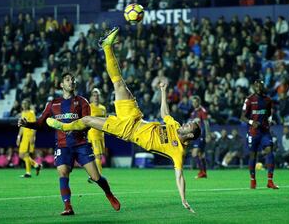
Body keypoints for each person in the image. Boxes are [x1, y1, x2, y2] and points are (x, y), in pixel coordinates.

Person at [46, 27, 201, 213]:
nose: (185, 123)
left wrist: (183, 198)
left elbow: (179, 176)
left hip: (127, 131)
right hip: (135, 116)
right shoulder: (174, 125)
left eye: (189, 125)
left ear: (190, 134)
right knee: (119, 83)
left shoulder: (178, 151)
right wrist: (163, 92)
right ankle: (106, 46)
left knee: (86, 120)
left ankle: (64, 126)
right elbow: (164, 114)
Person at [18, 72, 120, 215]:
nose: (71, 81)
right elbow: (41, 123)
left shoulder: (82, 102)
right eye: (67, 79)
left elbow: (88, 123)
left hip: (81, 144)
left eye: (72, 79)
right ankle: (68, 206)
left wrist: (70, 128)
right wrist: (27, 124)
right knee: (63, 172)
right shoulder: (53, 104)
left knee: (96, 177)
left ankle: (109, 194)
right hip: (62, 145)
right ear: (61, 85)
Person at [241, 80, 279, 189]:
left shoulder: (268, 100)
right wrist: (252, 122)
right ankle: (253, 180)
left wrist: (270, 120)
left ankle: (270, 181)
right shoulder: (249, 100)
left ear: (263, 86)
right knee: (253, 155)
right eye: (256, 85)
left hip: (264, 132)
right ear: (253, 87)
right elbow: (242, 117)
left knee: (269, 151)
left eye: (260, 85)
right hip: (253, 132)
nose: (258, 87)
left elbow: (269, 113)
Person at [16, 99, 42, 178]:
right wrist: (18, 137)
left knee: (26, 154)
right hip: (24, 137)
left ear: (28, 105)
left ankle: (28, 173)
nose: (23, 105)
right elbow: (21, 127)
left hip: (29, 136)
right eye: (22, 103)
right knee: (21, 155)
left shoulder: (31, 113)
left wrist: (33, 137)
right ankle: (36, 165)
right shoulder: (23, 113)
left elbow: (35, 126)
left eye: (25, 103)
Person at [190, 95, 210, 179]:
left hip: (201, 135)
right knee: (201, 154)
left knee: (194, 153)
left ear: (199, 102)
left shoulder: (202, 111)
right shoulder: (193, 112)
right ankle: (204, 172)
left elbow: (206, 123)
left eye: (195, 102)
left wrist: (208, 135)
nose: (194, 104)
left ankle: (201, 172)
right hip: (196, 136)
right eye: (193, 102)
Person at [87, 88, 107, 174]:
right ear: (91, 97)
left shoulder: (103, 108)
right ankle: (99, 176)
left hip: (101, 134)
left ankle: (93, 175)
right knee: (98, 155)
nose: (96, 97)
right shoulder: (89, 107)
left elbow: (105, 121)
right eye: (94, 96)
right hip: (93, 134)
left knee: (99, 156)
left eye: (97, 95)